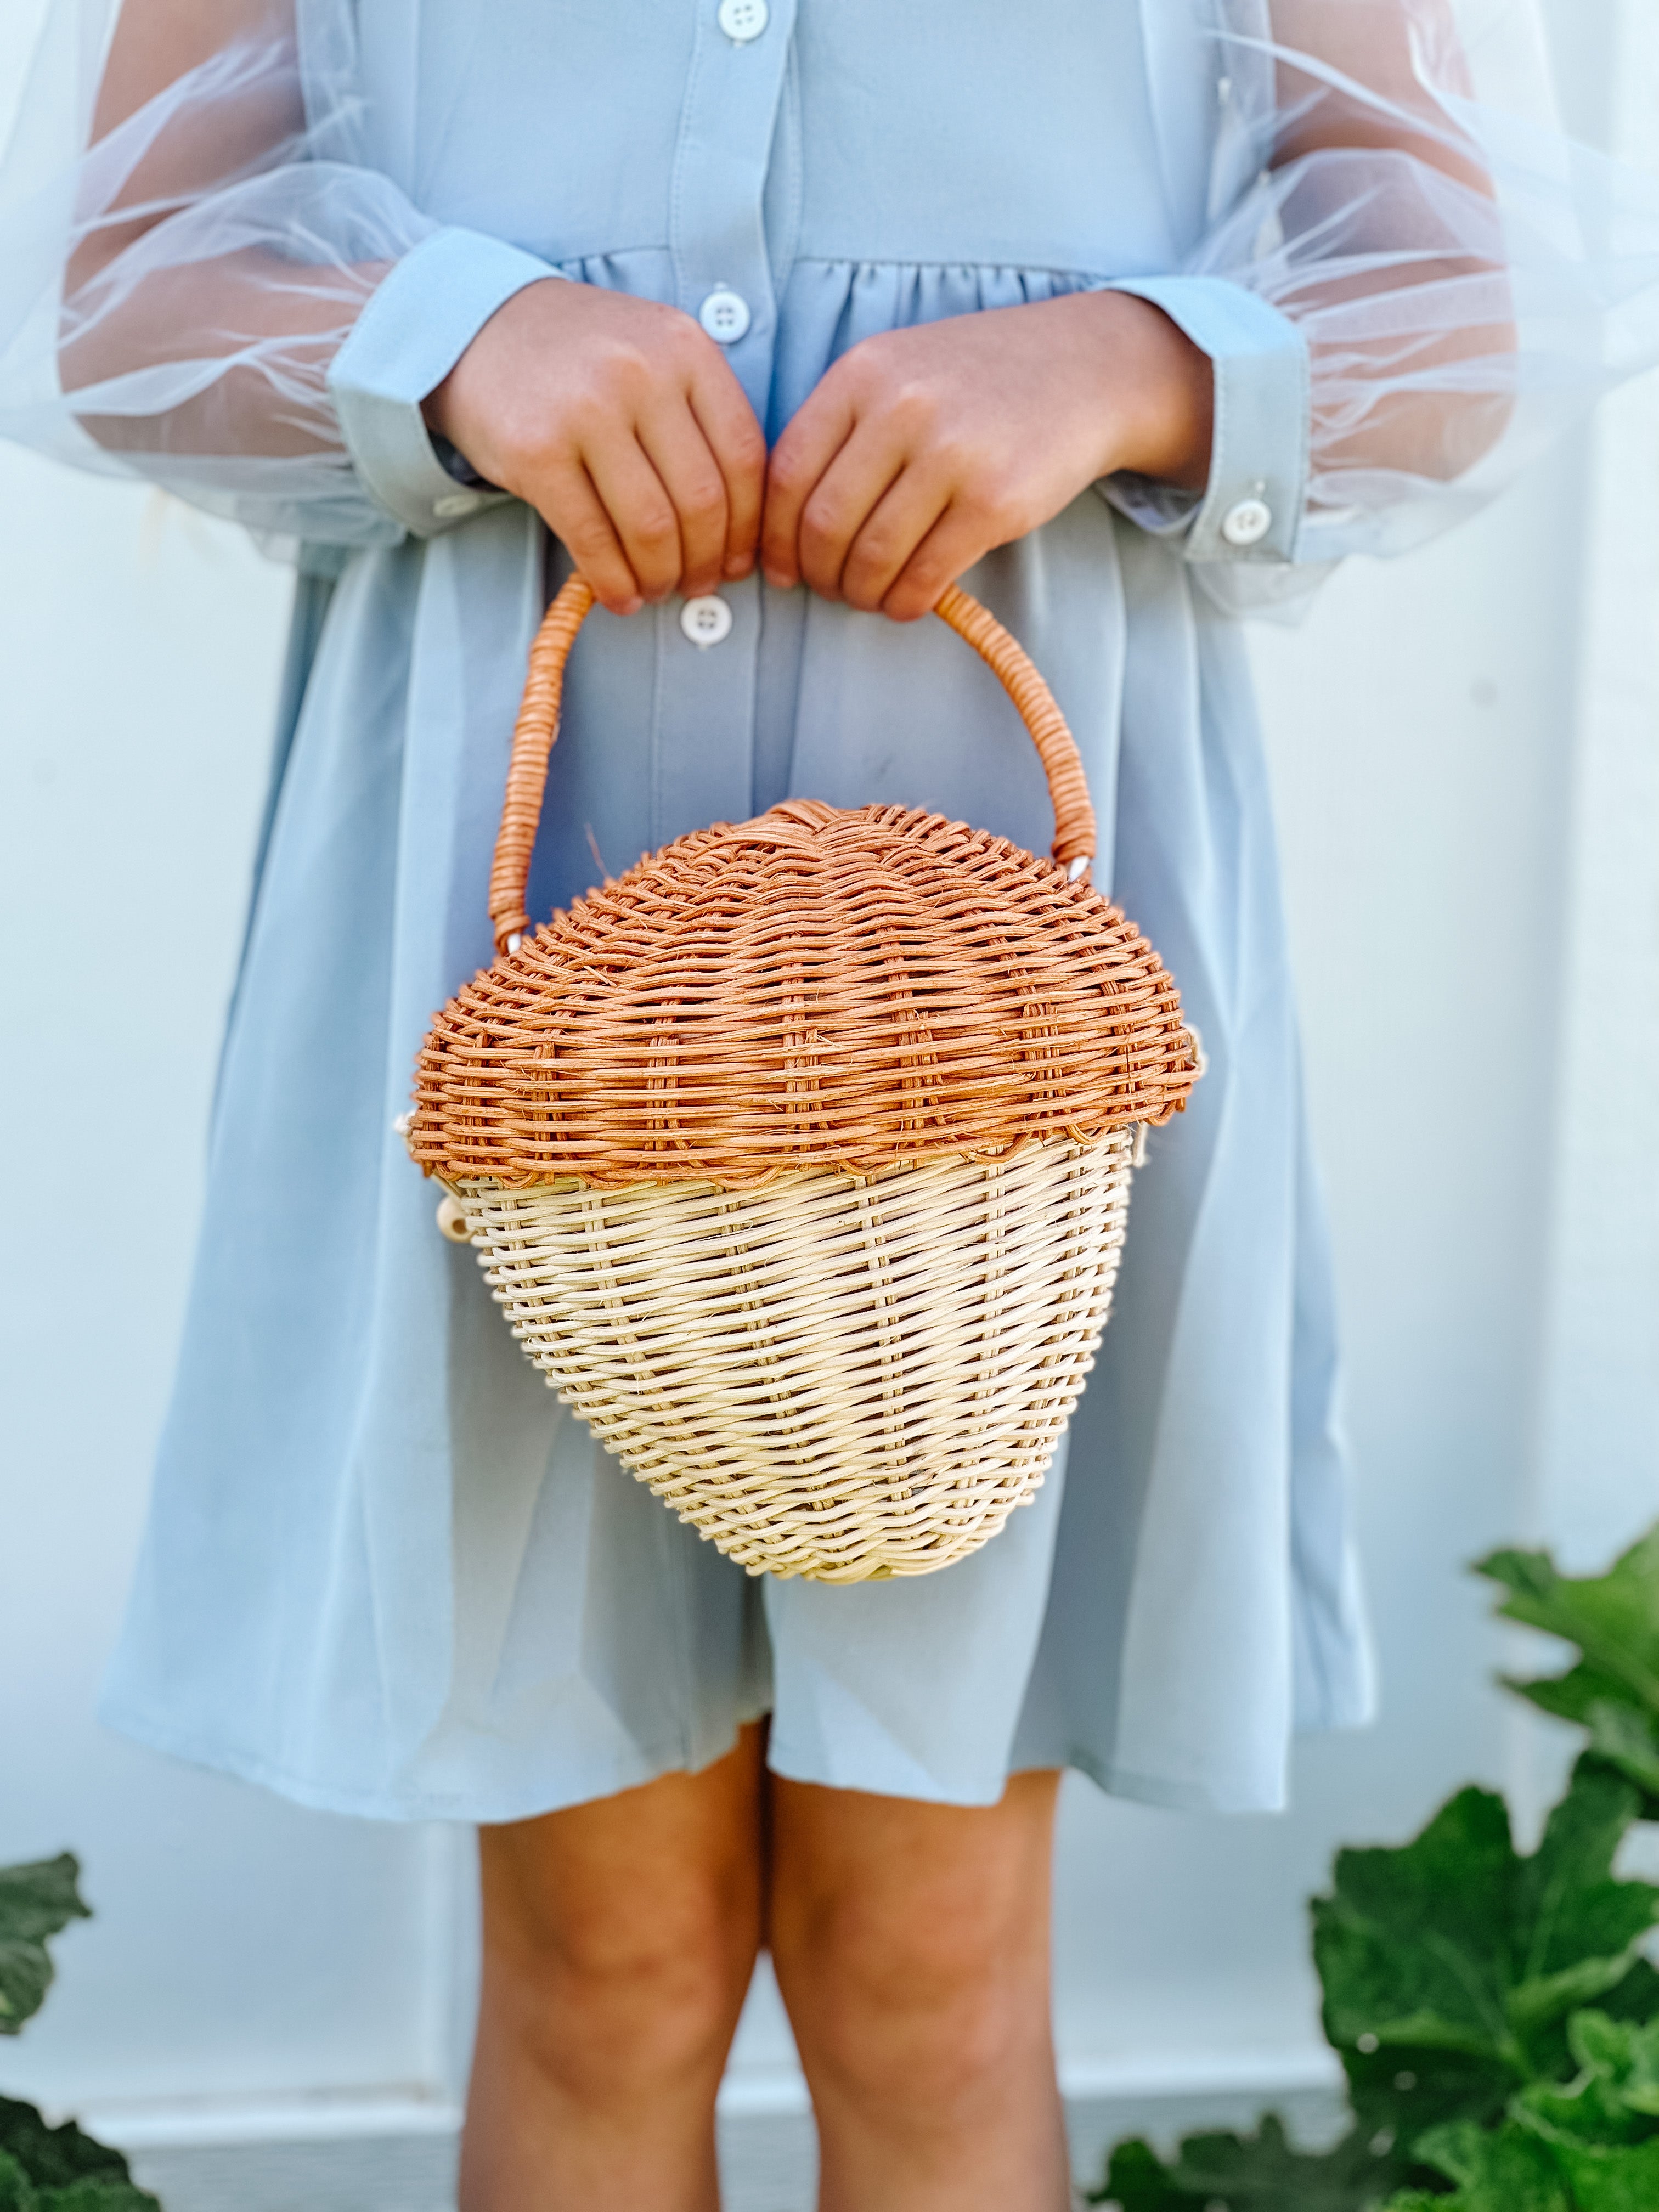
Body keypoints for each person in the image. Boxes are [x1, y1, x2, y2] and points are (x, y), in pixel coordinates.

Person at [2, 3, 1655, 2206]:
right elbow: (118, 273)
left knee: (933, 1962)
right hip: (532, 968)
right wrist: (447, 340)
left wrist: (1135, 364)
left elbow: (1473, 296)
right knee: (599, 1963)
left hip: (1005, 1027)